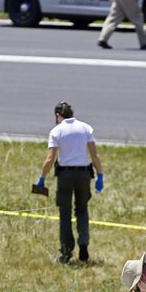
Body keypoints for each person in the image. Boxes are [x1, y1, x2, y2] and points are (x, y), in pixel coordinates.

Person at [35, 101, 104, 263]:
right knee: (82, 210)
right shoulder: (85, 128)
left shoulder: (56, 131)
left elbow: (50, 158)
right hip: (84, 175)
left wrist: (42, 178)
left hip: (65, 175)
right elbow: (94, 155)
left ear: (57, 115)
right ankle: (84, 245)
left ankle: (66, 252)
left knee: (65, 214)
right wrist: (100, 175)